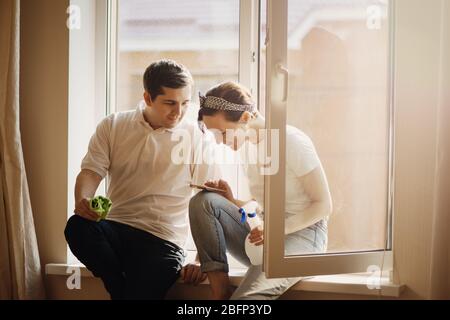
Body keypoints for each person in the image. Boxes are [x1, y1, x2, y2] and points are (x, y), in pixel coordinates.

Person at [64, 59, 218, 300]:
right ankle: (117, 286)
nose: (178, 112)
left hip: (163, 241)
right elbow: (91, 172)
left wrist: (201, 259)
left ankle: (118, 291)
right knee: (77, 226)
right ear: (147, 98)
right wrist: (83, 201)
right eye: (169, 103)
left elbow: (207, 200)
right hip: (116, 229)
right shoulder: (113, 125)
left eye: (185, 103)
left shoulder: (196, 137)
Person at [189, 81, 332, 299]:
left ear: (245, 118)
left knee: (245, 301)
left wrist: (275, 229)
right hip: (264, 232)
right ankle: (220, 293)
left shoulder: (291, 141)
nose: (219, 142)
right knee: (204, 201)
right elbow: (259, 206)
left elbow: (323, 205)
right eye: (214, 135)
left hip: (304, 234)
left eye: (223, 133)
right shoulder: (248, 148)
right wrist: (231, 200)